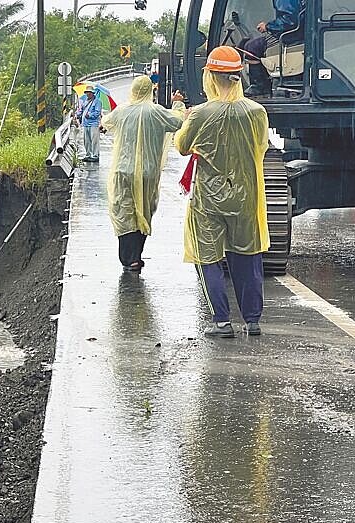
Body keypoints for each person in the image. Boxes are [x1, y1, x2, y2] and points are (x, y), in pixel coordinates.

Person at [175, 46, 270, 338]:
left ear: (211, 77)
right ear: (238, 76)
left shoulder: (200, 114)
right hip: (246, 195)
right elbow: (261, 147)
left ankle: (221, 321)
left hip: (208, 197)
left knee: (208, 257)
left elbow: (181, 146)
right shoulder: (256, 112)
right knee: (247, 255)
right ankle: (252, 320)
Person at [101, 76, 187, 273]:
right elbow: (178, 121)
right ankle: (135, 256)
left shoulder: (122, 111)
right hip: (148, 172)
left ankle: (128, 258)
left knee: (124, 211)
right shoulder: (156, 112)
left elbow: (106, 121)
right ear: (150, 91)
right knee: (144, 209)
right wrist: (178, 103)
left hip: (122, 171)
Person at [241, 0, 305, 96]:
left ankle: (259, 87)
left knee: (252, 47)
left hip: (291, 37)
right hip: (300, 34)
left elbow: (290, 20)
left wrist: (268, 26)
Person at [76, 86, 103, 162]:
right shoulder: (85, 101)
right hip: (85, 124)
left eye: (90, 92)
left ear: (92, 93)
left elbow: (97, 113)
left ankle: (95, 155)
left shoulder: (97, 102)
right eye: (87, 92)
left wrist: (90, 115)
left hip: (93, 124)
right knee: (86, 140)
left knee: (94, 140)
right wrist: (77, 115)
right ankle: (88, 154)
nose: (88, 94)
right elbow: (81, 110)